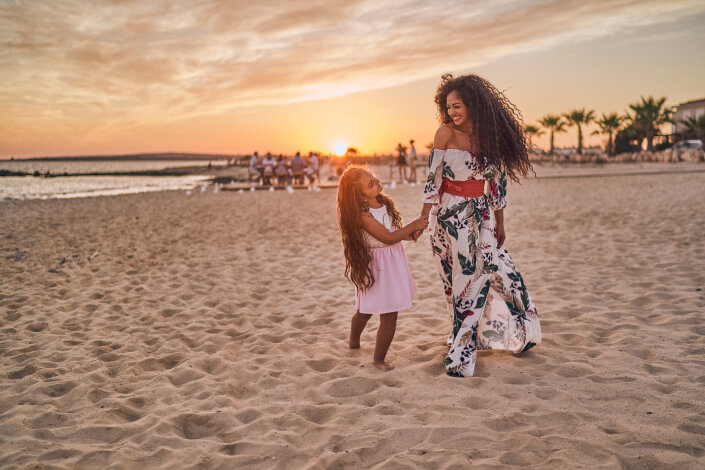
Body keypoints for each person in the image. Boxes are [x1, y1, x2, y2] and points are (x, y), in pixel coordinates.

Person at [417, 73, 541, 377]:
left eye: (457, 106)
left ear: (473, 105)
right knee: (452, 280)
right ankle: (460, 333)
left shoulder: (490, 139)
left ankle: (462, 348)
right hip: (446, 215)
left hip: (480, 216)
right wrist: (423, 217)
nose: (451, 113)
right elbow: (433, 180)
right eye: (448, 108)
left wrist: (500, 223)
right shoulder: (444, 134)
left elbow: (497, 185)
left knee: (479, 276)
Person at [337, 165, 428, 371]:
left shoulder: (382, 203)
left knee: (376, 310)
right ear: (360, 196)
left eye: (374, 178)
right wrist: (413, 225)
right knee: (369, 311)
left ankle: (357, 343)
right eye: (371, 184)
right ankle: (376, 357)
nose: (377, 183)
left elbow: (391, 233)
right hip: (378, 267)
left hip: (392, 261)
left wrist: (408, 234)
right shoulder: (363, 216)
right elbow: (387, 238)